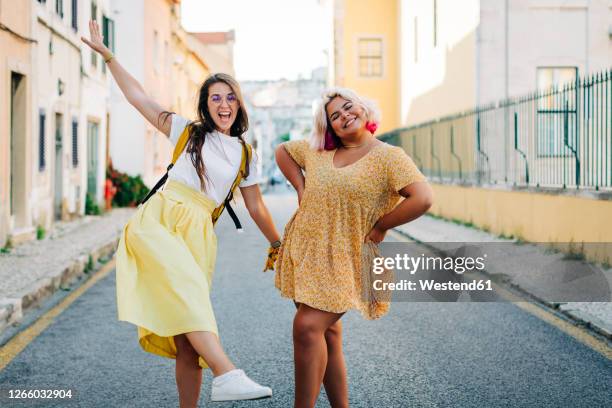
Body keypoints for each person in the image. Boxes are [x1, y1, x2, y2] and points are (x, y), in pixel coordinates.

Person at [82, 21, 281, 407]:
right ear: (205, 106)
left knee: (188, 337)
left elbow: (256, 205)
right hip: (160, 220)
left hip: (199, 235)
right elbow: (139, 98)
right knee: (191, 309)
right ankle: (227, 374)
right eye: (215, 99)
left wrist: (278, 243)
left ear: (239, 104)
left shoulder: (246, 154)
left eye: (230, 98)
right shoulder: (188, 133)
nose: (223, 105)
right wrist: (109, 58)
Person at [274, 87, 434, 408]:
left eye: (348, 108)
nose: (344, 115)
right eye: (335, 115)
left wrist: (381, 225)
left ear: (363, 109)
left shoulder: (389, 157)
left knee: (307, 328)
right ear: (330, 127)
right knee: (327, 334)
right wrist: (302, 189)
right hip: (306, 250)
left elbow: (423, 198)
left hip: (346, 257)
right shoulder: (318, 151)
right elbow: (283, 152)